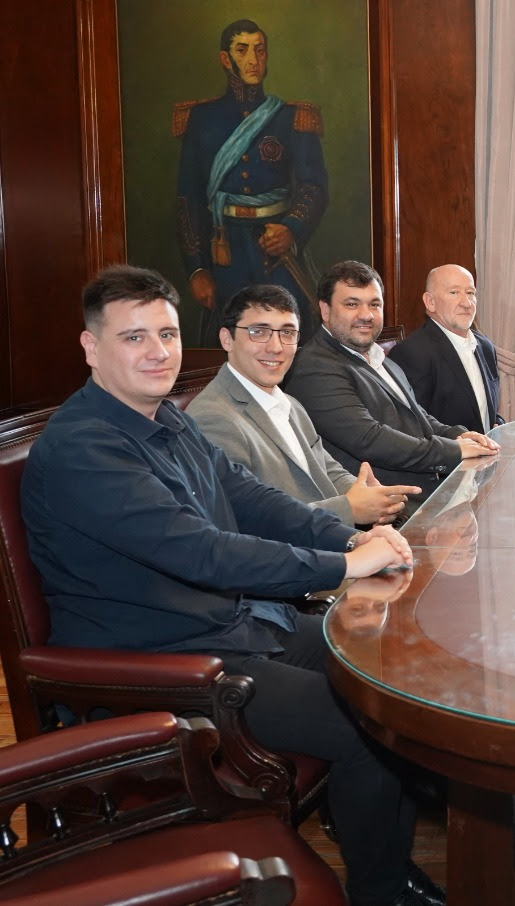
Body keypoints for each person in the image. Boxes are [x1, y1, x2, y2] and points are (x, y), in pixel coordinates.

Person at [20, 265, 443, 906]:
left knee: (390, 669)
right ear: (91, 347)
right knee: (371, 728)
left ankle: (392, 865)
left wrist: (348, 539)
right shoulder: (84, 448)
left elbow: (250, 498)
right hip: (162, 663)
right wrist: (341, 567)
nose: (158, 352)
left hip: (233, 625)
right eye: (134, 337)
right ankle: (382, 893)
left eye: (166, 334)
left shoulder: (168, 417)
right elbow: (202, 552)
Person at [187, 284, 420, 526]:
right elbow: (246, 519)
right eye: (259, 332)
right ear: (227, 339)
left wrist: (369, 494)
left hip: (337, 535)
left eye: (287, 332)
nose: (276, 347)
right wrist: (350, 509)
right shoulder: (212, 418)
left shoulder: (290, 403)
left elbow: (327, 470)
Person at [284, 260, 498, 507]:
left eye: (374, 304)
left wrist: (457, 434)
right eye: (352, 304)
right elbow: (370, 439)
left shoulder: (381, 359)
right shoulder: (313, 367)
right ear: (325, 310)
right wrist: (454, 450)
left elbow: (419, 417)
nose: (366, 315)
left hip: (428, 495)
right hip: (386, 511)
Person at [175, 19, 327, 338]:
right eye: (242, 51)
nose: (253, 60)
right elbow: (189, 198)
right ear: (225, 59)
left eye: (260, 50)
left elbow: (313, 186)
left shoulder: (289, 117)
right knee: (229, 336)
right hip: (225, 251)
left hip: (276, 252)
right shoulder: (202, 119)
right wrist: (197, 268)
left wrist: (291, 228)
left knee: (290, 333)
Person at [386, 264, 503, 434]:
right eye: (454, 292)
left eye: (470, 293)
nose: (466, 303)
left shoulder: (486, 347)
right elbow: (412, 426)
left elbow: (486, 410)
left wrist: (498, 425)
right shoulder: (411, 353)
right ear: (430, 302)